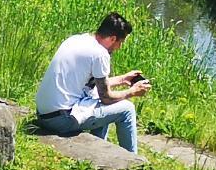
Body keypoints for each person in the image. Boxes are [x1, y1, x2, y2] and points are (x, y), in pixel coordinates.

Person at [32, 11, 148, 150]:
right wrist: (132, 92)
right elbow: (106, 97)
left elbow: (93, 85)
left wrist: (123, 79)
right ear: (112, 39)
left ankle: (97, 149)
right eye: (120, 42)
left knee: (100, 102)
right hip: (61, 121)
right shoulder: (100, 54)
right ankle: (131, 159)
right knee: (127, 109)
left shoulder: (76, 40)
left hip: (43, 113)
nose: (119, 47)